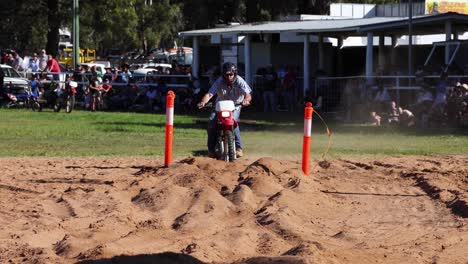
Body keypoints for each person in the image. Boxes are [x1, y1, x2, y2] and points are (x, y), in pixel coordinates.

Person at [197, 62, 252, 158]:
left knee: (234, 122)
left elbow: (248, 94)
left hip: (235, 106)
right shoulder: (219, 81)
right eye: (227, 74)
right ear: (223, 74)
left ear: (235, 73)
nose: (229, 76)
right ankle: (211, 150)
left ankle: (239, 148)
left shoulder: (240, 81)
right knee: (211, 121)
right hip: (220, 105)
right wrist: (203, 102)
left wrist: (246, 100)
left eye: (231, 74)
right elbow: (209, 94)